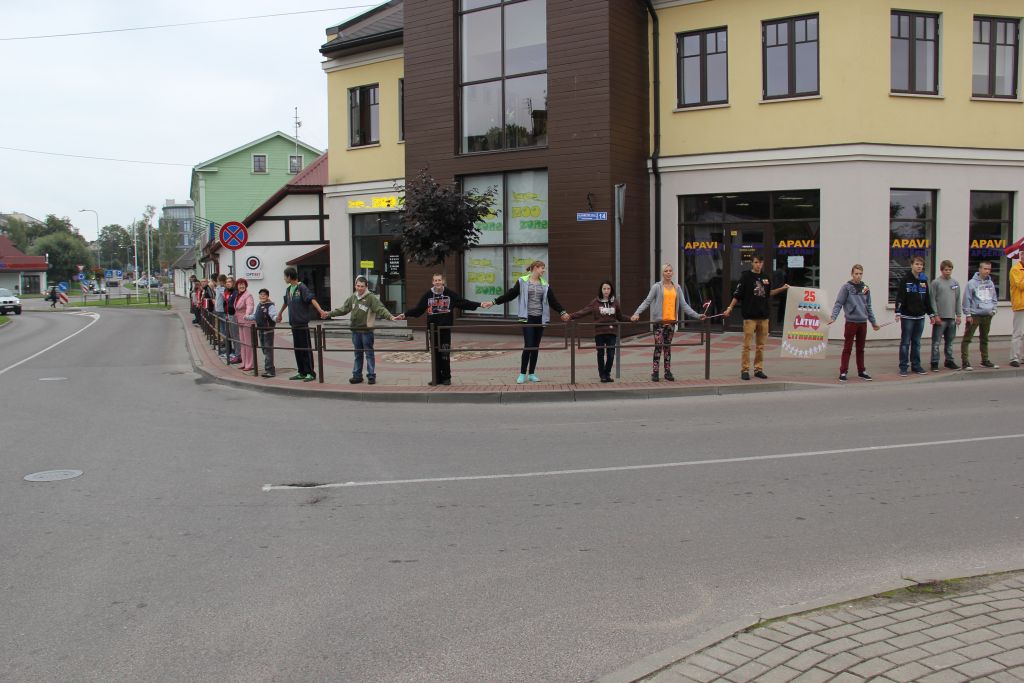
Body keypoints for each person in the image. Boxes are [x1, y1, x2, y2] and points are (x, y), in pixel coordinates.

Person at [491, 260, 570, 384]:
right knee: (529, 345)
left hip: (540, 318)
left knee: (535, 346)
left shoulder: (544, 284)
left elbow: (553, 301)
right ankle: (522, 374)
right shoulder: (522, 281)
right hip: (527, 318)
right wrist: (494, 302)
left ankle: (532, 374)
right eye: (542, 268)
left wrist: (562, 312)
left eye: (544, 268)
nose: (544, 270)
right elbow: (510, 295)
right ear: (535, 268)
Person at [395, 273, 483, 386]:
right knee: (435, 354)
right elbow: (418, 310)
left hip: (444, 329)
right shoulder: (428, 295)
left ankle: (446, 378)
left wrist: (480, 304)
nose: (437, 282)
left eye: (439, 280)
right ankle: (436, 378)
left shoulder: (449, 294)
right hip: (433, 329)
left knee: (445, 353)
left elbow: (464, 303)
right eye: (435, 280)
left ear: (443, 281)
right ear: (433, 282)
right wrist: (405, 314)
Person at [631, 264, 705, 382]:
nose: (669, 273)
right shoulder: (657, 287)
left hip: (671, 323)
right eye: (666, 271)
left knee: (667, 347)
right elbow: (647, 301)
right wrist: (636, 313)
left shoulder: (677, 287)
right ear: (662, 273)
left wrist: (697, 315)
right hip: (659, 322)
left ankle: (667, 371)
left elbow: (684, 305)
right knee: (658, 346)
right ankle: (655, 372)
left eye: (670, 271)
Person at [724, 254, 790, 380]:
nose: (758, 265)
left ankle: (758, 369)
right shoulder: (746, 277)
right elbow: (737, 295)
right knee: (747, 345)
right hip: (750, 317)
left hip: (763, 317)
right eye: (756, 262)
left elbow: (768, 293)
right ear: (752, 263)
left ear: (763, 263)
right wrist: (729, 308)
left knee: (760, 346)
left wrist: (782, 288)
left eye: (760, 262)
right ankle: (745, 370)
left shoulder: (766, 278)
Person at [324, 275, 398, 385]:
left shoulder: (371, 298)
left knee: (369, 354)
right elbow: (343, 309)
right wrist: (329, 314)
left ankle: (371, 376)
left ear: (366, 286)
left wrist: (390, 317)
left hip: (366, 331)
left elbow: (380, 309)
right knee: (358, 354)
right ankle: (357, 376)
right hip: (355, 331)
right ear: (355, 285)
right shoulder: (353, 297)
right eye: (358, 286)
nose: (359, 288)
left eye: (362, 286)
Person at [571, 280, 632, 383]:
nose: (606, 291)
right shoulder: (595, 302)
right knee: (600, 354)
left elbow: (620, 317)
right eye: (604, 289)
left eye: (608, 289)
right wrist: (571, 316)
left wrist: (631, 318)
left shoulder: (615, 302)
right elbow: (584, 311)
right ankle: (602, 375)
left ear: (611, 290)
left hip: (612, 332)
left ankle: (607, 373)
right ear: (601, 290)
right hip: (599, 332)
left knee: (611, 354)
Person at [828, 264, 880, 382]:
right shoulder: (846, 287)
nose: (858, 276)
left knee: (861, 349)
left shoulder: (865, 288)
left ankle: (862, 371)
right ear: (852, 274)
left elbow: (868, 306)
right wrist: (833, 317)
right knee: (847, 348)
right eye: (856, 273)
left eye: (860, 274)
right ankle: (843, 372)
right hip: (851, 322)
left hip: (863, 322)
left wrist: (873, 322)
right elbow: (839, 303)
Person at [276, 266, 326, 382]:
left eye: (285, 276)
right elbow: (286, 302)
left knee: (305, 349)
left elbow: (311, 299)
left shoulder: (301, 287)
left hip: (302, 324)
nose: (284, 278)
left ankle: (310, 373)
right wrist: (280, 313)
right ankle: (301, 372)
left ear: (289, 276)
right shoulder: (289, 289)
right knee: (298, 349)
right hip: (293, 324)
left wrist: (320, 311)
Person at [894, 255, 936, 377]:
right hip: (908, 317)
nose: (919, 266)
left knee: (917, 343)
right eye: (917, 264)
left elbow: (927, 299)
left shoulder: (923, 281)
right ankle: (903, 366)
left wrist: (931, 314)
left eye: (921, 265)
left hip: (920, 317)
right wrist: (898, 311)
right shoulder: (905, 279)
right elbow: (900, 297)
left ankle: (916, 365)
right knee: (905, 342)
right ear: (911, 265)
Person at [961, 260, 999, 371]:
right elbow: (966, 299)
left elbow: (994, 298)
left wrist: (994, 310)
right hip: (974, 315)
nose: (987, 271)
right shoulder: (971, 283)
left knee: (984, 338)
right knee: (967, 338)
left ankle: (985, 360)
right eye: (985, 268)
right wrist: (968, 314)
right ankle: (965, 362)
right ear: (980, 269)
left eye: (989, 269)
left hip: (987, 315)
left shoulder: (990, 283)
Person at [929, 260, 962, 371]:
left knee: (950, 342)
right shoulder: (936, 283)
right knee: (936, 342)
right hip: (940, 317)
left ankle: (949, 361)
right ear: (941, 270)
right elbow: (932, 299)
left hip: (951, 317)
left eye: (950, 270)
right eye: (946, 270)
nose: (948, 272)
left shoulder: (955, 283)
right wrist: (935, 314)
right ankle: (934, 362)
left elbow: (957, 299)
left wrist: (958, 315)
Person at [248, 288, 277, 378]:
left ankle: (270, 371)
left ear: (267, 296)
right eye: (260, 295)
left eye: (264, 295)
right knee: (264, 350)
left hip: (268, 331)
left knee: (268, 350)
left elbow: (273, 315)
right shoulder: (259, 305)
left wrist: (276, 318)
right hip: (260, 330)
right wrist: (247, 317)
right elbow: (256, 316)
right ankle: (268, 368)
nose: (262, 296)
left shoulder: (270, 305)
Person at [233, 278, 256, 372]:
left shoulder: (248, 295)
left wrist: (247, 314)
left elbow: (250, 306)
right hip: (240, 321)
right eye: (240, 284)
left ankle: (250, 364)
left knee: (248, 344)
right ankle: (244, 362)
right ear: (237, 286)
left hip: (247, 321)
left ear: (246, 285)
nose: (241, 286)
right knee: (242, 343)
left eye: (243, 284)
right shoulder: (238, 295)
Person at [1010, 254, 1024, 367]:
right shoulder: (1015, 269)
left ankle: (1022, 356)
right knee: (1018, 333)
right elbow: (1020, 285)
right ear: (1022, 256)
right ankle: (1014, 358)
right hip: (1020, 305)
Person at [223, 277, 240, 364]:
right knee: (232, 336)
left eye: (229, 282)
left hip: (234, 316)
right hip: (229, 315)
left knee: (235, 336)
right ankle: (236, 353)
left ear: (233, 283)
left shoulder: (235, 292)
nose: (227, 283)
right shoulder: (229, 292)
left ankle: (238, 355)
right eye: (226, 282)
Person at [214, 274, 230, 359]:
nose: (218, 282)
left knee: (224, 329)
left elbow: (225, 297)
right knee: (222, 329)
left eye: (219, 281)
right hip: (218, 310)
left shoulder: (223, 288)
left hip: (222, 310)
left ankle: (227, 347)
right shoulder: (219, 288)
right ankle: (225, 345)